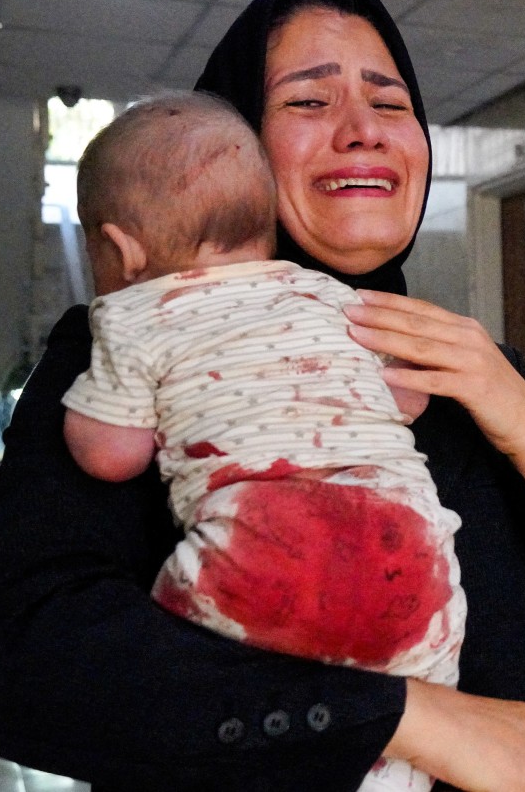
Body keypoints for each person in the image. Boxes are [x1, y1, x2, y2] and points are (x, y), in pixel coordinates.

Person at [0, 0, 525, 792]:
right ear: (235, 144)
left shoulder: (454, 359)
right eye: (310, 102)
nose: (364, 129)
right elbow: (18, 661)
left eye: (391, 103)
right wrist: (397, 715)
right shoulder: (136, 343)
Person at [61, 91, 463, 792]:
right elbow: (406, 398)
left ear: (121, 249)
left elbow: (110, 454)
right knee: (411, 740)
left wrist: (89, 409)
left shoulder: (130, 317)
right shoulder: (330, 297)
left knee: (191, 702)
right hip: (411, 554)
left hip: (260, 559)